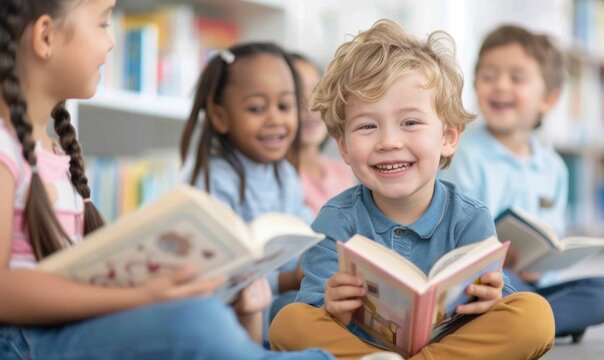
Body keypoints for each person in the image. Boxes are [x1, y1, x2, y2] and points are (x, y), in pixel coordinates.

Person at [0, 1, 330, 359]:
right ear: (46, 36)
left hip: (61, 332)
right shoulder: (5, 150)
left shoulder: (55, 154)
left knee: (206, 315)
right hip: (24, 342)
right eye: (103, 23)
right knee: (196, 319)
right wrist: (140, 297)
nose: (111, 42)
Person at [269, 19, 555, 359]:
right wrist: (334, 307)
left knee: (535, 316)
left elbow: (494, 295)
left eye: (410, 122)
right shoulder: (334, 219)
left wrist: (491, 297)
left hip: (448, 342)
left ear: (448, 137)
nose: (389, 142)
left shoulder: (470, 216)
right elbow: (314, 307)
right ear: (343, 146)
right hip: (363, 345)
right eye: (367, 126)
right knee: (288, 321)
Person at [439, 24, 604, 343]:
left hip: (531, 287)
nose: (500, 86)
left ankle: (526, 324)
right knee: (466, 296)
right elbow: (452, 235)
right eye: (489, 76)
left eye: (517, 77)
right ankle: (532, 325)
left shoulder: (553, 166)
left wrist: (541, 265)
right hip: (484, 283)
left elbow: (551, 237)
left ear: (548, 99)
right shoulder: (464, 152)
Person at [179, 43, 312, 336]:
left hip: (272, 312)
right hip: (223, 318)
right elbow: (216, 276)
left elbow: (306, 231)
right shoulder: (213, 178)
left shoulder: (285, 175)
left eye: (285, 106)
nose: (275, 119)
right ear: (220, 116)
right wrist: (287, 280)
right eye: (256, 108)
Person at [288, 53, 356, 216]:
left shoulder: (341, 170)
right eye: (295, 95)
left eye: (316, 91)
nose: (310, 105)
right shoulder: (280, 179)